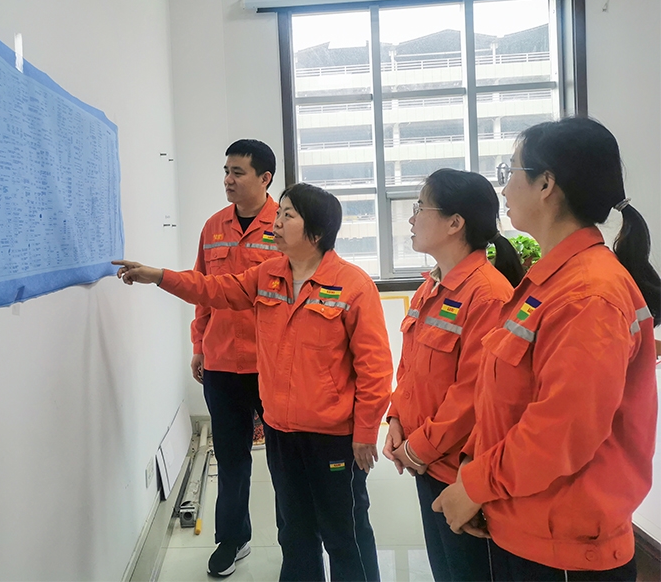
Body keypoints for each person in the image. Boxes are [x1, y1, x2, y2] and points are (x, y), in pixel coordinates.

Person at [114, 183, 393, 582]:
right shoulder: (268, 275)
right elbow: (214, 289)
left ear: (315, 232)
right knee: (294, 530)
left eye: (288, 215)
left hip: (332, 435)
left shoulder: (353, 285)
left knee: (344, 531)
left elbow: (375, 368)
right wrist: (159, 276)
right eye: (279, 213)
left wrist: (365, 432)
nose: (276, 222)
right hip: (281, 430)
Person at [433, 117, 660, 581]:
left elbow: (561, 431)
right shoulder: (549, 283)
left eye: (510, 170)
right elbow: (505, 399)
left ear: (545, 184)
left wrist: (474, 486)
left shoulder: (589, 294)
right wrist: (474, 469)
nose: (503, 187)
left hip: (565, 546)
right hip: (524, 523)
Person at [382, 168, 524, 581]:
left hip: (460, 474)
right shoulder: (431, 287)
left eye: (420, 207)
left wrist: (417, 448)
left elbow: (474, 394)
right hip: (425, 462)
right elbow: (409, 368)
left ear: (454, 223)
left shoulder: (488, 294)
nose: (411, 218)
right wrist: (396, 419)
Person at [191, 139, 279, 577]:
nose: (228, 179)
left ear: (265, 178)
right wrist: (198, 345)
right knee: (230, 457)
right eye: (226, 171)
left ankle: (296, 541)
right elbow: (202, 289)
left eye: (237, 172)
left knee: (285, 459)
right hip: (222, 360)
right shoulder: (213, 226)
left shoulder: (285, 225)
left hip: (272, 363)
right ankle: (232, 538)